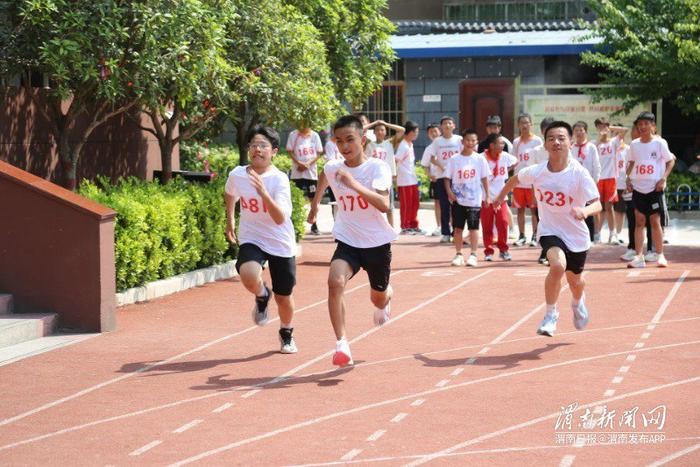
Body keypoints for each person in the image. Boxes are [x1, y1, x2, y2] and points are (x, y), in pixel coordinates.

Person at [495, 121, 602, 337]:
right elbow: (515, 179)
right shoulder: (537, 171)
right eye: (551, 138)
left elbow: (598, 203)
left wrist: (585, 211)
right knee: (557, 266)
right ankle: (551, 314)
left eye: (561, 138)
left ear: (570, 143)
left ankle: (577, 301)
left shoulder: (579, 173)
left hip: (576, 235)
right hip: (549, 230)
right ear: (544, 145)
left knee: (576, 281)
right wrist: (500, 197)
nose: (556, 142)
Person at [307, 115, 396, 367]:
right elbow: (325, 175)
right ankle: (341, 343)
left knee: (377, 297)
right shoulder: (334, 167)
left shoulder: (378, 168)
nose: (345, 146)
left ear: (363, 139)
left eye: (350, 140)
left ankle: (386, 296)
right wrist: (315, 206)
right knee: (334, 282)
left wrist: (354, 184)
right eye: (339, 141)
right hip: (348, 239)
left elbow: (383, 204)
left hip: (377, 242)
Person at [225, 125, 298, 353]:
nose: (257, 149)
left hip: (280, 242)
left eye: (263, 146)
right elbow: (230, 194)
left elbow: (279, 218)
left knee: (284, 298)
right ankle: (262, 294)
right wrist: (230, 221)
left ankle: (286, 333)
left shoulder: (279, 180)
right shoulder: (237, 174)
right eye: (254, 145)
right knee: (247, 274)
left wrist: (263, 193)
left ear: (274, 151)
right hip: (252, 237)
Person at [625, 111, 675, 268]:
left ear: (653, 126)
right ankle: (639, 256)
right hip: (638, 188)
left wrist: (663, 178)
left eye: (646, 124)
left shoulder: (660, 143)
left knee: (655, 221)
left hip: (654, 188)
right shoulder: (634, 144)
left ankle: (660, 254)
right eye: (640, 124)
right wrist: (627, 178)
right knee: (639, 222)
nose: (642, 127)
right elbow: (632, 162)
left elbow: (670, 161)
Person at [444, 128, 489, 267]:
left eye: (473, 140)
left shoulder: (480, 159)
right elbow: (446, 178)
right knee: (458, 228)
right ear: (462, 141)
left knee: (473, 228)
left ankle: (474, 254)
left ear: (476, 142)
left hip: (474, 200)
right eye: (468, 140)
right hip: (458, 199)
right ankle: (458, 254)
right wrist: (449, 192)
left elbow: (484, 178)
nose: (470, 143)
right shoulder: (454, 159)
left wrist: (487, 196)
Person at [425, 116, 463, 243]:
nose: (447, 125)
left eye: (449, 123)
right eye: (445, 123)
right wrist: (441, 166)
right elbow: (431, 158)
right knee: (444, 205)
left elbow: (465, 155)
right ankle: (445, 233)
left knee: (457, 205)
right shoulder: (437, 142)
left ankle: (457, 231)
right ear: (441, 127)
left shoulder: (459, 140)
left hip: (457, 178)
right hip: (442, 177)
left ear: (454, 126)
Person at [481, 133, 517, 261]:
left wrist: (508, 169)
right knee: (487, 225)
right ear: (491, 145)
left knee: (503, 222)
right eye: (500, 143)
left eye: (503, 143)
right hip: (486, 198)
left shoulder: (505, 157)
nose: (502, 145)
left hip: (501, 197)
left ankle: (503, 249)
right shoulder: (482, 158)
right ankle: (488, 251)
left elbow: (516, 161)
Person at [364, 119, 405, 228]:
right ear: (374, 132)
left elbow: (402, 130)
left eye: (382, 130)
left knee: (389, 206)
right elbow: (360, 131)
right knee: (372, 205)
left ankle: (391, 228)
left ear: (385, 132)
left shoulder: (390, 143)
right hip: (372, 177)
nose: (380, 132)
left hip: (386, 178)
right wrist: (374, 123)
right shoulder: (368, 143)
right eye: (377, 130)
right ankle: (374, 228)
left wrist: (386, 123)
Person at [594, 118, 628, 244]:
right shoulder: (595, 143)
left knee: (609, 207)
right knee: (597, 207)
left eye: (605, 126)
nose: (603, 129)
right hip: (597, 179)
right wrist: (600, 136)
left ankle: (612, 234)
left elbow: (625, 130)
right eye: (600, 126)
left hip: (610, 178)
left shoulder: (614, 142)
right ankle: (597, 234)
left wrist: (610, 127)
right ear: (597, 128)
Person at [512, 113, 543, 247]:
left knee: (534, 209)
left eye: (527, 122)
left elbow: (541, 160)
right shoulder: (516, 142)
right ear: (518, 125)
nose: (524, 125)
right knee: (520, 210)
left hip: (532, 182)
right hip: (519, 181)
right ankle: (522, 235)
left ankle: (535, 235)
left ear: (531, 124)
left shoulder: (537, 141)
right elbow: (514, 161)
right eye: (522, 123)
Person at [286, 126, 323, 235]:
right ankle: (295, 225)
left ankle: (314, 224)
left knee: (313, 199)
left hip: (311, 174)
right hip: (297, 173)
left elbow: (319, 153)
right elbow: (290, 151)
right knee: (295, 199)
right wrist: (299, 163)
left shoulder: (315, 135)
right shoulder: (293, 134)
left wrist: (308, 164)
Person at [572, 121, 601, 242]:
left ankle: (590, 238)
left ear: (586, 132)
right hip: (574, 185)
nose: (579, 132)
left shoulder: (591, 147)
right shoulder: (571, 147)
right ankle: (576, 237)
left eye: (581, 130)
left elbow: (597, 166)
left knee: (588, 212)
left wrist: (594, 182)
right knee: (575, 210)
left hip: (588, 184)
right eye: (576, 130)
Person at [395, 121, 424, 234]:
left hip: (412, 179)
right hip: (404, 181)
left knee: (415, 203)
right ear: (409, 132)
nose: (416, 134)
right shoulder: (403, 146)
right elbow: (396, 160)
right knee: (406, 205)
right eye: (415, 132)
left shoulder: (410, 144)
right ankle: (405, 226)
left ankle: (413, 225)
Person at [420, 124, 443, 236]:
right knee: (438, 203)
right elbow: (425, 165)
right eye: (431, 132)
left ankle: (451, 225)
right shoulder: (429, 149)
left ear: (440, 131)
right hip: (436, 180)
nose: (434, 134)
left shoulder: (447, 145)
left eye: (435, 131)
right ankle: (439, 226)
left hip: (450, 179)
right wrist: (430, 175)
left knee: (451, 203)